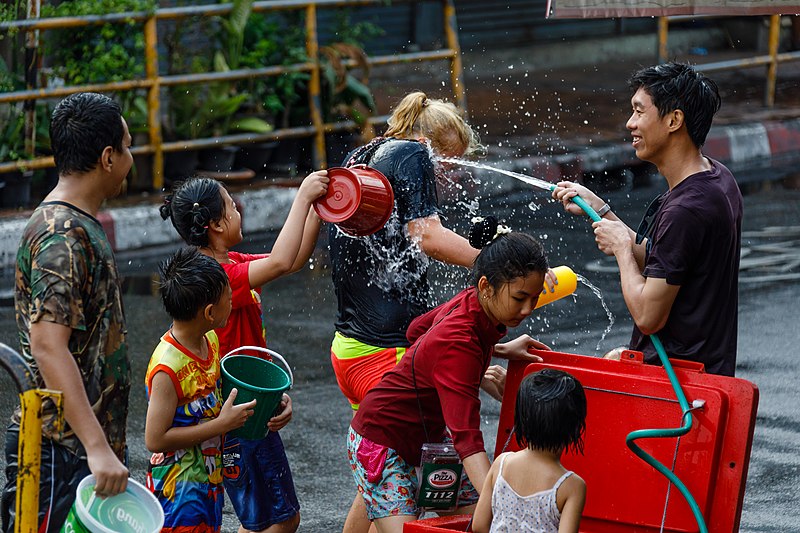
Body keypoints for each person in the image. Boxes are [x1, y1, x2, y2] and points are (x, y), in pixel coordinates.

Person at [330, 92, 555, 532]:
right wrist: (503, 266)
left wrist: (491, 347)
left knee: (381, 469)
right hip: (381, 348)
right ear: (425, 141)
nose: (449, 174)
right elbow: (428, 237)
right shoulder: (413, 153)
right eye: (447, 162)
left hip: (351, 346)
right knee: (396, 472)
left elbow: (422, 329)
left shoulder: (367, 151)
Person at [347, 216, 554, 533]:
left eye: (534, 297)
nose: (527, 309)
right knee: (452, 519)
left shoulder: (472, 303)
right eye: (519, 298)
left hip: (421, 436)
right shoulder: (460, 346)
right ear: (486, 286)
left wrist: (494, 353)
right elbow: (467, 441)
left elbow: (418, 331)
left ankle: (382, 499)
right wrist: (507, 511)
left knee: (473, 515)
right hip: (379, 439)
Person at [160, 170, 328, 533]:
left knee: (270, 519)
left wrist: (318, 207)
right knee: (279, 520)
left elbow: (292, 259)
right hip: (237, 413)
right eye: (232, 207)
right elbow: (282, 262)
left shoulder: (230, 262)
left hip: (253, 401)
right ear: (216, 225)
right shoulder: (220, 278)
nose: (239, 210)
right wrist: (301, 197)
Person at [552, 62, 742, 377]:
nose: (630, 124)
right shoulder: (717, 176)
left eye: (639, 112)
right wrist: (602, 210)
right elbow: (666, 263)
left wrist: (623, 251)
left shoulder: (687, 209)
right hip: (701, 372)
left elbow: (648, 315)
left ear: (673, 120)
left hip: (676, 386)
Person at [1, 92, 133, 532]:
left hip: (79, 447)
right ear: (108, 157)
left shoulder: (75, 225)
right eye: (127, 147)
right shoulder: (63, 236)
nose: (132, 158)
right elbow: (46, 344)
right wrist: (97, 447)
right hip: (62, 449)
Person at [145, 247, 255, 532]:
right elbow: (155, 439)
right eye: (229, 300)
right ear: (209, 312)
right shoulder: (167, 368)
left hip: (208, 480)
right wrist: (220, 425)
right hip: (178, 490)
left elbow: (218, 395)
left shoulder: (210, 340)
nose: (232, 304)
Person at [472, 369, 587, 533]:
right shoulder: (572, 486)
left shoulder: (501, 463)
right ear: (576, 427)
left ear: (521, 418)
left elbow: (479, 526)